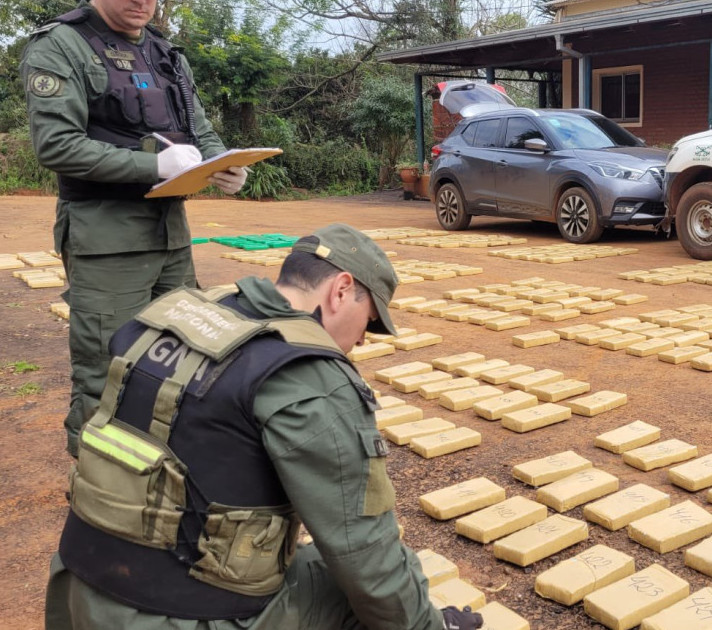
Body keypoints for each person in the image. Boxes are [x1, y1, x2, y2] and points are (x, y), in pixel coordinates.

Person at [44, 223, 483, 630]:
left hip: (78, 586)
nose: (364, 339)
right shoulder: (309, 379)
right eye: (369, 321)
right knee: (372, 601)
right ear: (342, 290)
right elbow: (365, 556)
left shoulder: (180, 313)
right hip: (177, 615)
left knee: (312, 565)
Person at [20, 0, 250, 458]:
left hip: (170, 234)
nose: (142, 1)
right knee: (109, 367)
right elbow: (57, 145)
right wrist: (153, 164)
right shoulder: (61, 46)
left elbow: (199, 129)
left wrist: (225, 165)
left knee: (184, 354)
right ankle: (95, 491)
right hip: (107, 238)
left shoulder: (166, 53)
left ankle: (166, 469)